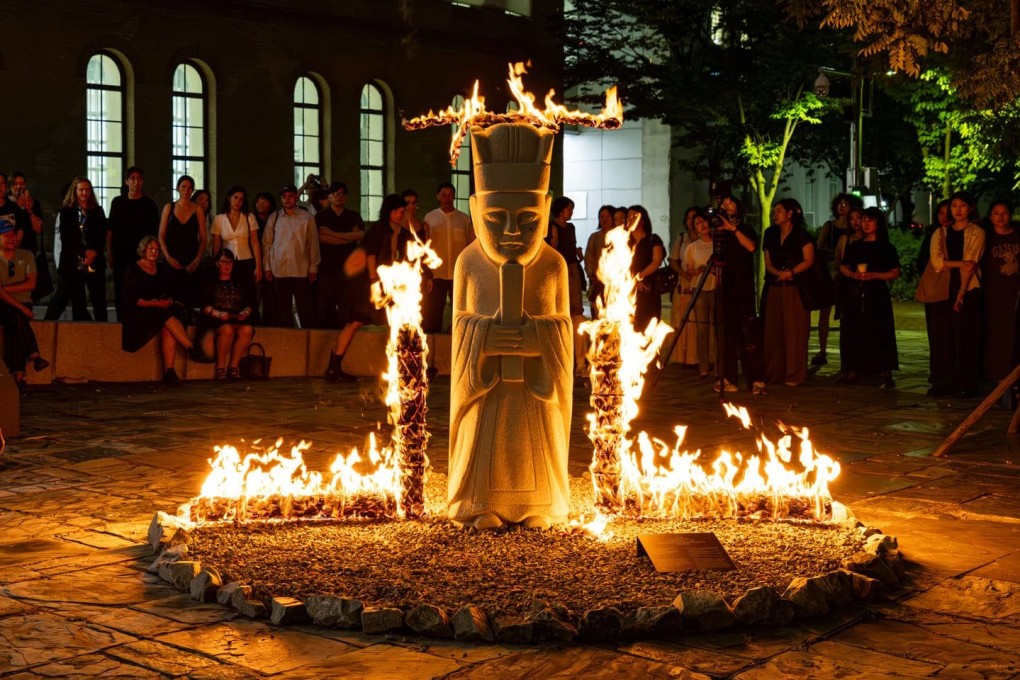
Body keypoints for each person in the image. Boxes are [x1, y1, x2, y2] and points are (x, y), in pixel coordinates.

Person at [447, 123, 571, 530]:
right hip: (488, 384)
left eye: (528, 219)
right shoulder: (469, 262)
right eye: (497, 218)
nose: (512, 231)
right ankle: (478, 501)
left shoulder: (553, 264)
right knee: (485, 430)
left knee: (534, 431)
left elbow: (563, 329)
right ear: (476, 210)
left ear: (548, 210)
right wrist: (482, 336)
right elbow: (460, 325)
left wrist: (539, 337)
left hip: (533, 388)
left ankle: (543, 502)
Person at [326, 194, 412, 382]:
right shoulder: (379, 229)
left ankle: (405, 365)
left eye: (402, 211)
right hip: (370, 284)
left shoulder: (403, 232)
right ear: (389, 211)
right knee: (356, 321)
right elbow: (370, 254)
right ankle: (334, 366)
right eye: (397, 211)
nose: (400, 214)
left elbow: (409, 254)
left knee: (398, 322)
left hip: (390, 283)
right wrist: (374, 282)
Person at [927, 190, 985, 397]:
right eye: (954, 206)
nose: (958, 210)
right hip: (943, 289)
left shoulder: (976, 232)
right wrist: (960, 262)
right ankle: (943, 381)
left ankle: (965, 383)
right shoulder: (940, 233)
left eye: (962, 206)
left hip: (967, 288)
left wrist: (961, 294)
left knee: (965, 336)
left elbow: (972, 264)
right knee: (942, 335)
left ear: (970, 208)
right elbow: (937, 262)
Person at [121, 236, 203, 384]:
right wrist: (153, 304)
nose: (154, 252)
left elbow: (170, 291)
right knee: (163, 315)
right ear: (143, 250)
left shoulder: (162, 269)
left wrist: (168, 300)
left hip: (160, 311)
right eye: (151, 249)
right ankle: (190, 347)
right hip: (140, 311)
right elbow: (131, 299)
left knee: (166, 325)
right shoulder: (133, 269)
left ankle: (169, 372)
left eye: (157, 250)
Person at [837, 207, 900, 388]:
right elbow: (843, 266)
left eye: (869, 220)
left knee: (880, 330)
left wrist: (874, 275)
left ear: (878, 223)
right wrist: (852, 275)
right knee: (855, 331)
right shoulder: (856, 246)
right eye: (863, 220)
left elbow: (894, 272)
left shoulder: (886, 247)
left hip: (877, 295)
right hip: (856, 293)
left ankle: (883, 370)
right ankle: (855, 369)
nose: (865, 224)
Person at [712, 196, 764, 395]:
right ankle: (728, 378)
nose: (726, 205)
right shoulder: (719, 233)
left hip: (743, 288)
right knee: (727, 335)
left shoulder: (745, 229)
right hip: (725, 287)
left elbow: (751, 247)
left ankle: (756, 379)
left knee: (749, 335)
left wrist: (733, 230)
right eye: (723, 203)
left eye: (730, 202)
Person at [762, 197, 815, 387]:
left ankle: (794, 374)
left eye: (779, 211)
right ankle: (774, 373)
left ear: (790, 214)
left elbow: (809, 259)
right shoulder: (770, 234)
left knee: (795, 332)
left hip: (796, 286)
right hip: (775, 283)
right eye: (774, 211)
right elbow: (767, 261)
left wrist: (791, 273)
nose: (775, 214)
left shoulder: (801, 235)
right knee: (772, 331)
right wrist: (778, 273)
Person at [44, 176, 108, 321]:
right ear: (75, 191)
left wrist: (93, 252)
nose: (84, 193)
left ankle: (103, 333)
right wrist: (84, 251)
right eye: (81, 190)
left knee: (99, 300)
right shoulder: (66, 212)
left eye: (87, 190)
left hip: (94, 260)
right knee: (77, 301)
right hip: (73, 261)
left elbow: (101, 233)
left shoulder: (97, 211)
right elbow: (67, 238)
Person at [813, 193, 861, 366]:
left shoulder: (855, 231)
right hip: (828, 272)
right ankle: (822, 349)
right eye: (839, 204)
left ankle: (850, 353)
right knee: (824, 312)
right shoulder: (830, 227)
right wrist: (833, 255)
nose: (842, 207)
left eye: (846, 204)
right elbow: (818, 248)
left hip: (846, 275)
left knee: (847, 314)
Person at [262, 184, 320, 328]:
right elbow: (267, 243)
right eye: (284, 197)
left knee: (305, 307)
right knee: (283, 310)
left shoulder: (307, 217)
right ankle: (287, 341)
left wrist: (313, 267)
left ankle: (308, 339)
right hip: (279, 269)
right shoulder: (274, 217)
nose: (287, 200)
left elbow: (313, 244)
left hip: (301, 268)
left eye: (290, 196)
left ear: (296, 197)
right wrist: (267, 267)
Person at [0, 223, 49, 391]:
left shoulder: (26, 255)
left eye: (13, 234)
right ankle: (33, 357)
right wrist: (21, 307)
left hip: (20, 303)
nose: (11, 238)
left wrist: (6, 288)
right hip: (5, 304)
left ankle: (19, 374)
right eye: (6, 235)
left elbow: (31, 283)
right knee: (18, 317)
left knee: (15, 324)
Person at [107, 166, 160, 320]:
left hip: (141, 255)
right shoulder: (117, 202)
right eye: (133, 178)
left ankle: (139, 320)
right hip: (121, 252)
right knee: (120, 287)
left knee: (141, 288)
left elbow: (153, 234)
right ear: (127, 181)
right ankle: (121, 320)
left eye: (139, 178)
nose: (136, 182)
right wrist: (110, 252)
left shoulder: (149, 205)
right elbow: (110, 230)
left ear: (142, 181)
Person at [422, 181, 474, 333]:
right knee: (434, 310)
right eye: (444, 195)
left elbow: (470, 245)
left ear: (454, 197)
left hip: (458, 272)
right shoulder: (430, 218)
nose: (447, 198)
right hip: (436, 272)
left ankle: (457, 335)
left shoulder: (464, 219)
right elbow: (424, 246)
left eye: (450, 195)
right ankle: (434, 339)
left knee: (459, 308)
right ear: (438, 196)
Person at [199, 249, 256, 380]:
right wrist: (218, 314)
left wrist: (245, 312)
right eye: (223, 262)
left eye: (230, 262)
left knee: (247, 330)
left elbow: (251, 303)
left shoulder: (239, 281)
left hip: (237, 317)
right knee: (227, 329)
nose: (227, 265)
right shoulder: (210, 281)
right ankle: (220, 367)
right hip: (217, 318)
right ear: (217, 263)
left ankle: (233, 367)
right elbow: (204, 306)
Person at [314, 181, 364, 329]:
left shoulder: (353, 216)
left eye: (341, 193)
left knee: (346, 303)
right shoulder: (321, 216)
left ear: (346, 197)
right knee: (325, 304)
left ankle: (344, 333)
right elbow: (321, 238)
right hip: (326, 266)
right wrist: (349, 236)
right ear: (329, 197)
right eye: (334, 194)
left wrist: (331, 234)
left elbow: (360, 235)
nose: (338, 197)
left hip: (348, 266)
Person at [980, 200, 1020, 383]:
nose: (1001, 217)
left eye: (1004, 213)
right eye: (996, 213)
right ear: (990, 216)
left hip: (1015, 293)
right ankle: (996, 374)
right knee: (996, 334)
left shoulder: (1017, 236)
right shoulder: (986, 238)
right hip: (994, 293)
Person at [158, 175, 208, 313]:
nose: (186, 190)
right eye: (183, 187)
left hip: (191, 258)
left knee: (189, 300)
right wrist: (167, 257)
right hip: (172, 258)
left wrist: (197, 259)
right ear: (178, 188)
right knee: (171, 299)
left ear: (192, 191)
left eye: (189, 188)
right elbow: (161, 236)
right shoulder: (169, 207)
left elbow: (204, 239)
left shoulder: (198, 209)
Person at [683, 210, 717, 378]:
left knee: (718, 329)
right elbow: (689, 271)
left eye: (704, 221)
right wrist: (699, 270)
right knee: (702, 329)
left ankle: (719, 365)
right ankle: (703, 366)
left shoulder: (717, 244)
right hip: (700, 289)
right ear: (695, 229)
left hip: (717, 287)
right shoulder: (692, 247)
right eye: (698, 223)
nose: (702, 225)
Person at [211, 185, 262, 291]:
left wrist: (258, 266)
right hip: (227, 262)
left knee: (247, 291)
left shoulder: (249, 217)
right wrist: (217, 263)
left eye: (241, 199)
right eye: (236, 197)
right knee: (230, 292)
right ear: (229, 198)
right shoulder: (219, 219)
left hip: (246, 260)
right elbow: (216, 244)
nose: (238, 201)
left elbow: (255, 243)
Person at [668, 206, 699, 366]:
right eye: (688, 217)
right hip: (683, 282)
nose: (691, 221)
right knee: (682, 319)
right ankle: (682, 357)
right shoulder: (681, 238)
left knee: (697, 320)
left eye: (694, 217)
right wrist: (684, 273)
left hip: (700, 281)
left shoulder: (706, 239)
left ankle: (698, 357)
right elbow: (672, 260)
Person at [628, 204, 666, 332]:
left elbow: (656, 261)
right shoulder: (624, 241)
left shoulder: (652, 239)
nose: (630, 219)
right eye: (628, 216)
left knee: (648, 325)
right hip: (627, 289)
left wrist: (639, 277)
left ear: (642, 219)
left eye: (634, 216)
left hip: (648, 289)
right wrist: (632, 281)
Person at [253, 191, 278, 324]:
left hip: (273, 264)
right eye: (258, 201)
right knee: (255, 296)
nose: (260, 203)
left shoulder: (277, 219)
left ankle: (270, 323)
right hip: (255, 263)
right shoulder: (252, 220)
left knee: (271, 298)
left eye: (264, 200)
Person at [584, 204, 614, 314]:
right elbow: (589, 257)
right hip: (597, 281)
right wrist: (591, 274)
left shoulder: (619, 236)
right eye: (601, 217)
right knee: (597, 314)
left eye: (607, 216)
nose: (604, 219)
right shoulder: (594, 237)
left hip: (614, 283)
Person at [7, 171, 43, 254]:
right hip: (10, 250)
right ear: (10, 185)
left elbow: (38, 229)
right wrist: (17, 207)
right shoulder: (6, 203)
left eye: (22, 184)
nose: (19, 187)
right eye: (16, 184)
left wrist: (29, 210)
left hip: (29, 250)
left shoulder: (33, 202)